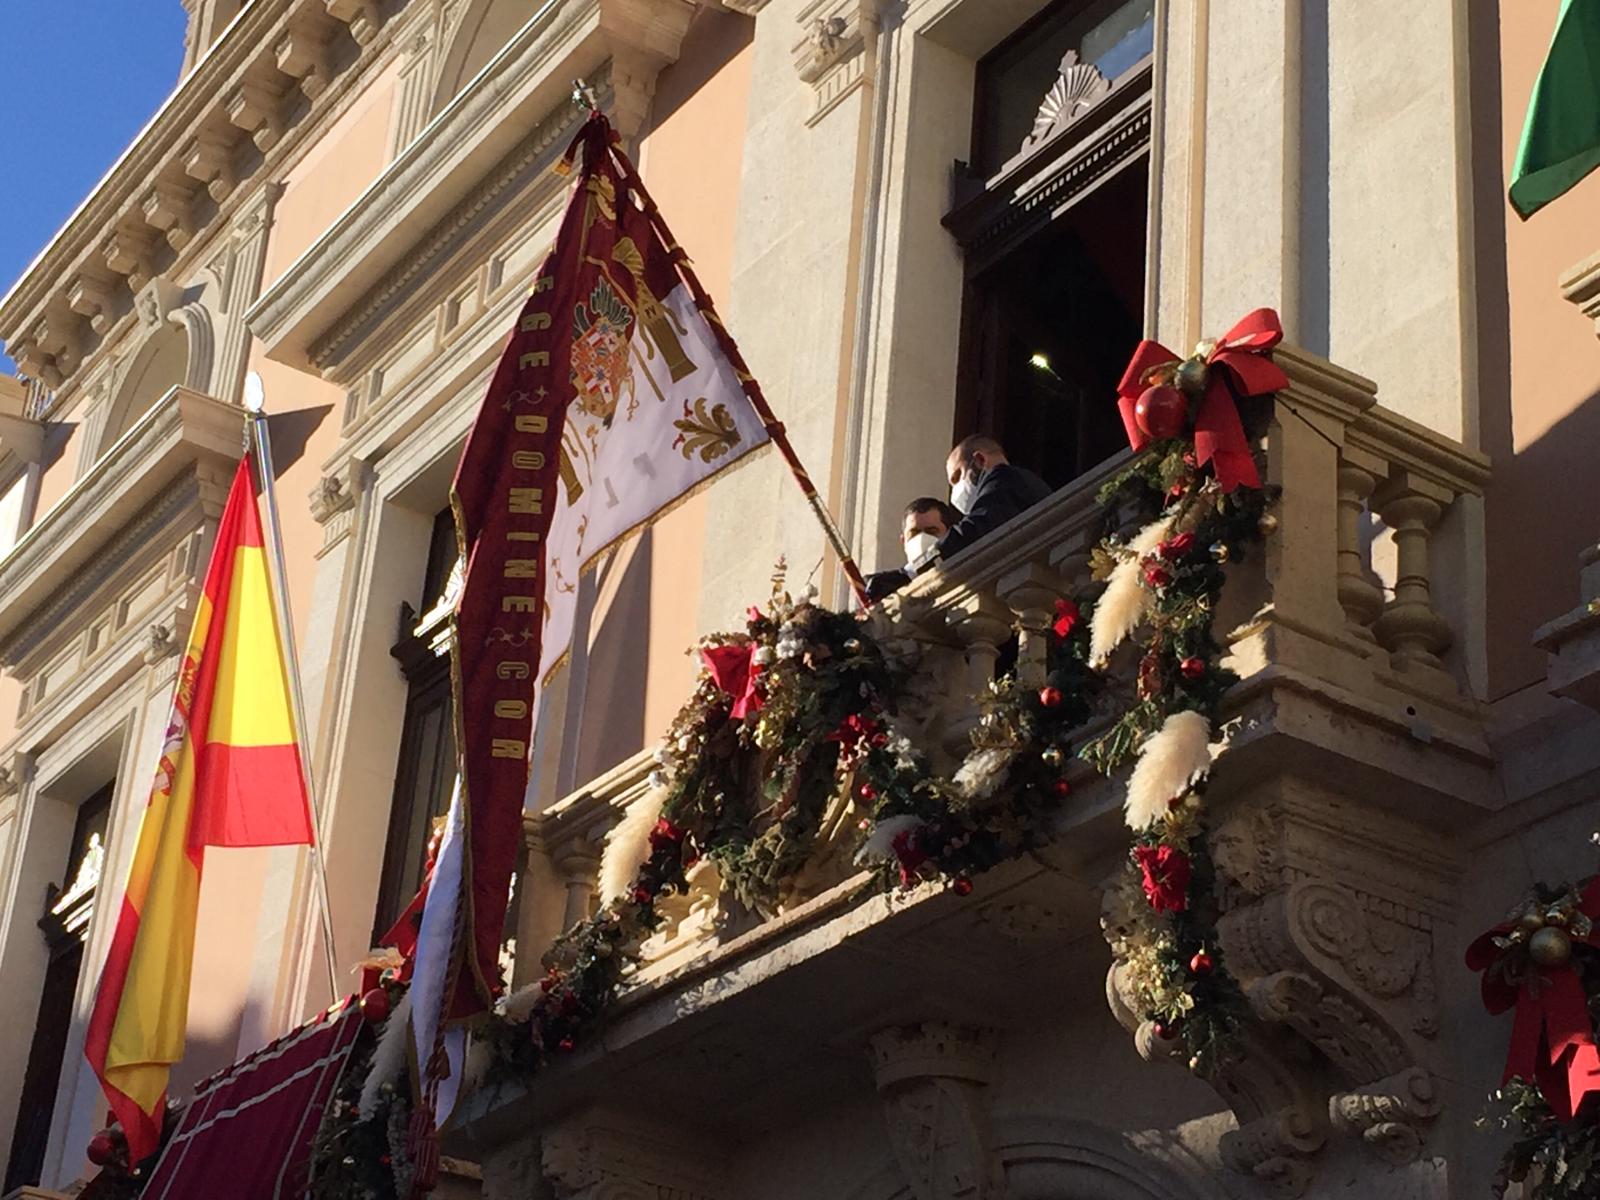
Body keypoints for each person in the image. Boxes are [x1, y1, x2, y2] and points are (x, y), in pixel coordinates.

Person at [938, 434, 1053, 559]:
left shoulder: (1004, 480)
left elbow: (976, 531)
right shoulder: (1027, 483)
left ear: (980, 460)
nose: (955, 491)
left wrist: (931, 554)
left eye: (957, 477)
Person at [864, 497, 960, 601]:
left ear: (949, 534)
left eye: (932, 531)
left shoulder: (963, 573)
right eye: (914, 533)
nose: (921, 538)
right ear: (903, 541)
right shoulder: (881, 586)